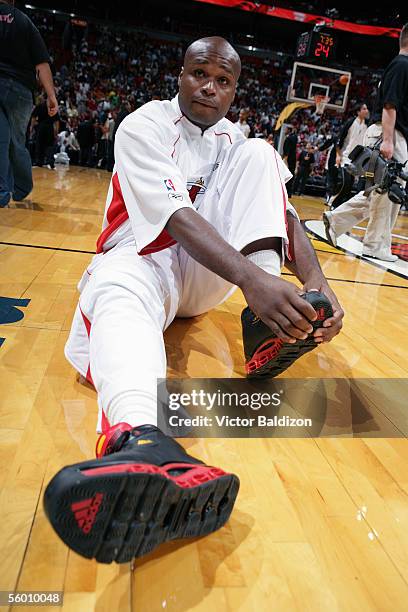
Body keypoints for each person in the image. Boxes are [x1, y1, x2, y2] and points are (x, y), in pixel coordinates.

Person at [44, 37, 344, 564]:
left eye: (223, 80)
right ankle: (143, 439)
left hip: (208, 276)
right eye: (199, 73)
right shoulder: (144, 125)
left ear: (233, 90)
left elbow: (288, 217)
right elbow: (177, 220)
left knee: (262, 155)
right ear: (180, 75)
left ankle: (263, 327)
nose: (209, 86)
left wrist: (318, 285)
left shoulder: (238, 140)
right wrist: (252, 278)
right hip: (143, 257)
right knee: (115, 286)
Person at [323, 24, 408, 262]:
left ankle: (337, 220)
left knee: (380, 191)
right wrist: (389, 141)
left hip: (388, 132)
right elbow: (390, 105)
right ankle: (373, 245)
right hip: (388, 133)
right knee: (388, 192)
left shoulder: (399, 65)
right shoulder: (402, 65)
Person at [0, 0, 58, 206]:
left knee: (2, 140)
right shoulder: (24, 22)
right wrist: (51, 96)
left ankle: (3, 192)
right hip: (21, 90)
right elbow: (42, 63)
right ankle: (22, 186)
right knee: (16, 141)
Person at [328, 102, 369, 209]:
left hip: (357, 160)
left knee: (349, 185)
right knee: (344, 182)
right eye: (364, 109)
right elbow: (339, 140)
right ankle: (333, 202)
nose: (367, 111)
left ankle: (340, 206)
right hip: (345, 157)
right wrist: (338, 155)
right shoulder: (350, 123)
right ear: (358, 112)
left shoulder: (367, 125)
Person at [282, 126, 297, 197]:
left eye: (286, 129)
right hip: (293, 159)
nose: (285, 130)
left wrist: (285, 160)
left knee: (285, 175)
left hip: (288, 159)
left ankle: (284, 192)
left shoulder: (288, 138)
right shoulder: (295, 137)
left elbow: (286, 151)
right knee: (291, 175)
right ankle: (289, 193)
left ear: (289, 130)